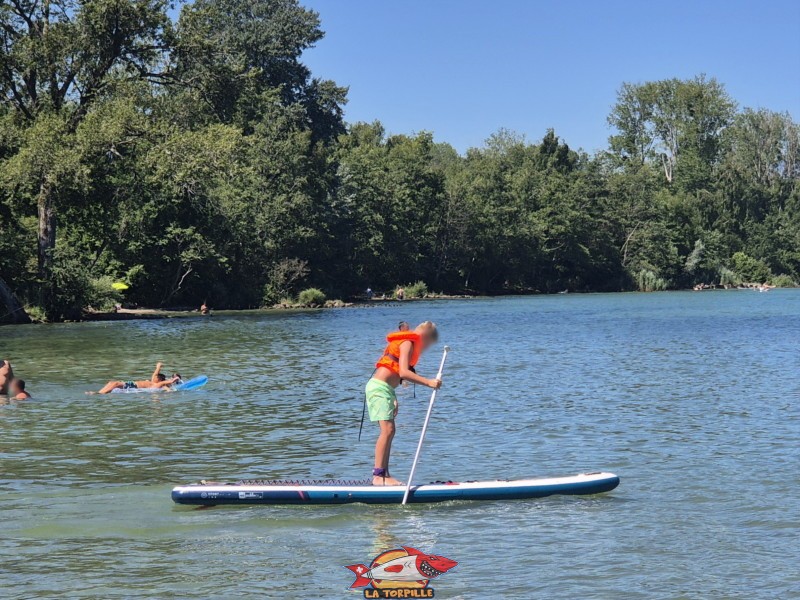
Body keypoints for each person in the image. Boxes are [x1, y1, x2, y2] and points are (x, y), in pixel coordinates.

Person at [365, 321, 442, 485]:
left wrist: (393, 396)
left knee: (390, 431)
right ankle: (378, 476)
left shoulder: (411, 343)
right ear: (425, 336)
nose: (426, 348)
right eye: (428, 344)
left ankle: (384, 475)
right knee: (387, 430)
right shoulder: (407, 342)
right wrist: (428, 382)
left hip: (386, 389)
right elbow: (404, 372)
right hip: (379, 387)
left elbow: (396, 376)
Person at [93, 362, 180, 394]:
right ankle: (100, 392)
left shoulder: (158, 384)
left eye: (157, 377)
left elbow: (167, 383)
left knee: (115, 383)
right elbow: (156, 372)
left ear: (160, 379)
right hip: (131, 383)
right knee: (111, 382)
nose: (155, 376)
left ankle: (99, 393)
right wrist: (159, 366)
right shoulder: (153, 380)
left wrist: (175, 379)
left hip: (133, 386)